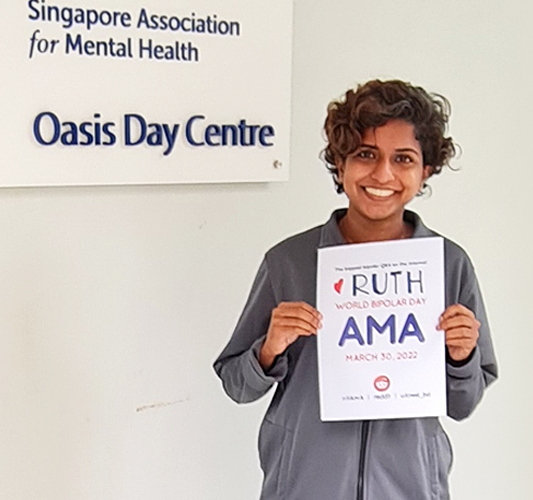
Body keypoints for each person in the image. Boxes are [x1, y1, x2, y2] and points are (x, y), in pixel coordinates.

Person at [213, 79, 497, 500]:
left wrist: (462, 356)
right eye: (365, 154)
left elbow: (464, 403)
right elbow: (236, 384)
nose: (383, 174)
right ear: (339, 164)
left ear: (426, 171)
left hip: (409, 487)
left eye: (403, 158)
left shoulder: (448, 264)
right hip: (304, 484)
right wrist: (268, 350)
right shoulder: (288, 261)